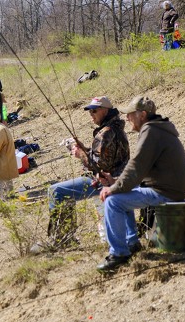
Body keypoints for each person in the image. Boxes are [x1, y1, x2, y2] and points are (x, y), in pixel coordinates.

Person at [97, 96, 185, 271]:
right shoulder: (157, 129)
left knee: (113, 202)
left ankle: (119, 253)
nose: (127, 118)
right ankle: (132, 243)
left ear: (142, 115)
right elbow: (140, 170)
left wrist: (113, 188)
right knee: (119, 194)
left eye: (131, 114)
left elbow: (136, 166)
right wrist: (115, 181)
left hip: (166, 191)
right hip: (171, 188)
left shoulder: (150, 130)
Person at [32, 96, 129, 252]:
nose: (91, 114)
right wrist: (84, 149)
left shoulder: (105, 132)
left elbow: (98, 165)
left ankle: (62, 239)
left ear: (105, 110)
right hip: (116, 177)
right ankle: (65, 238)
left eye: (95, 111)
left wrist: (80, 154)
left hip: (104, 182)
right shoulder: (117, 128)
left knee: (55, 191)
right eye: (90, 112)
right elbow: (104, 158)